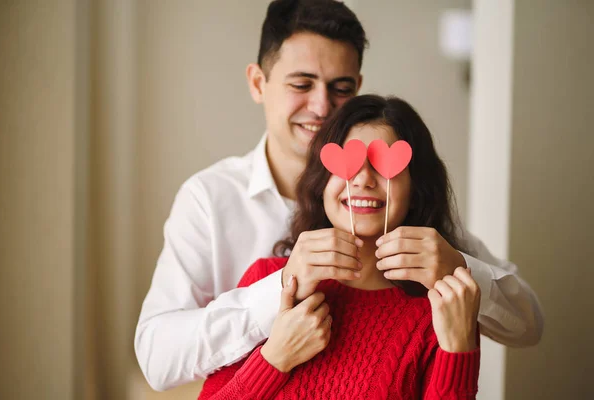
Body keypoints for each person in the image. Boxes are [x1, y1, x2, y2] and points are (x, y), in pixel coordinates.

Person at [135, 0, 543, 391]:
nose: (321, 106)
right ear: (259, 83)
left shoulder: (398, 203)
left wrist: (459, 269)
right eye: (301, 84)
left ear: (359, 90)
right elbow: (158, 359)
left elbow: (527, 325)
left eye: (340, 88)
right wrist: (280, 293)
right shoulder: (210, 199)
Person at [198, 94, 481, 399]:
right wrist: (275, 358)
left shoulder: (444, 306)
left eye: (384, 165)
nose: (363, 179)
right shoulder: (267, 280)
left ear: (416, 189)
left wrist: (459, 347)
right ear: (322, 182)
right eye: (349, 163)